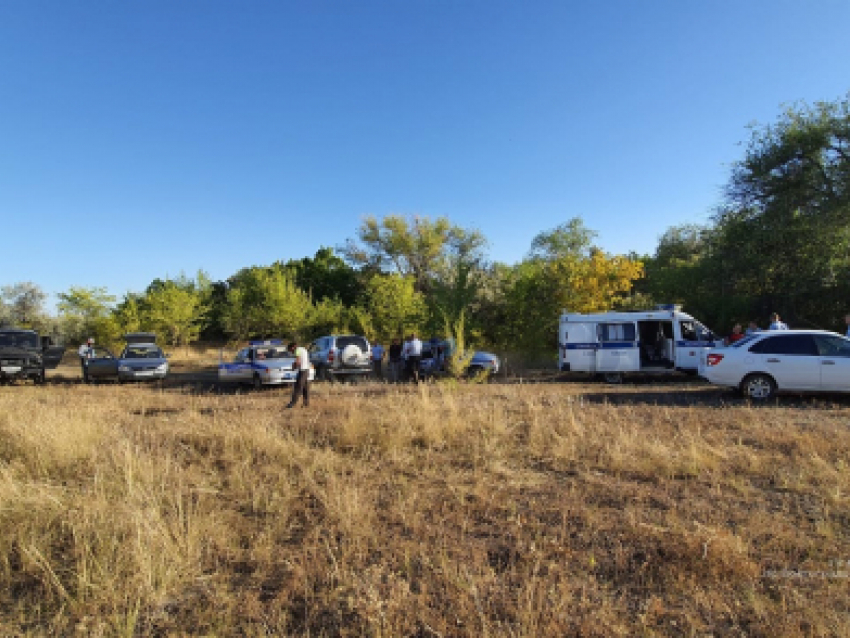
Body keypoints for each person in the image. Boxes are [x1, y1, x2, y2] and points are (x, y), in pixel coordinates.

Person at [286, 341, 311, 408]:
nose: (291, 352)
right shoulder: (303, 349)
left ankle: (292, 404)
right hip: (307, 370)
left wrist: (293, 366)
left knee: (298, 387)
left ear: (293, 347)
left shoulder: (297, 350)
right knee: (305, 388)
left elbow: (298, 362)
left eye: (290, 350)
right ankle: (306, 403)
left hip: (302, 371)